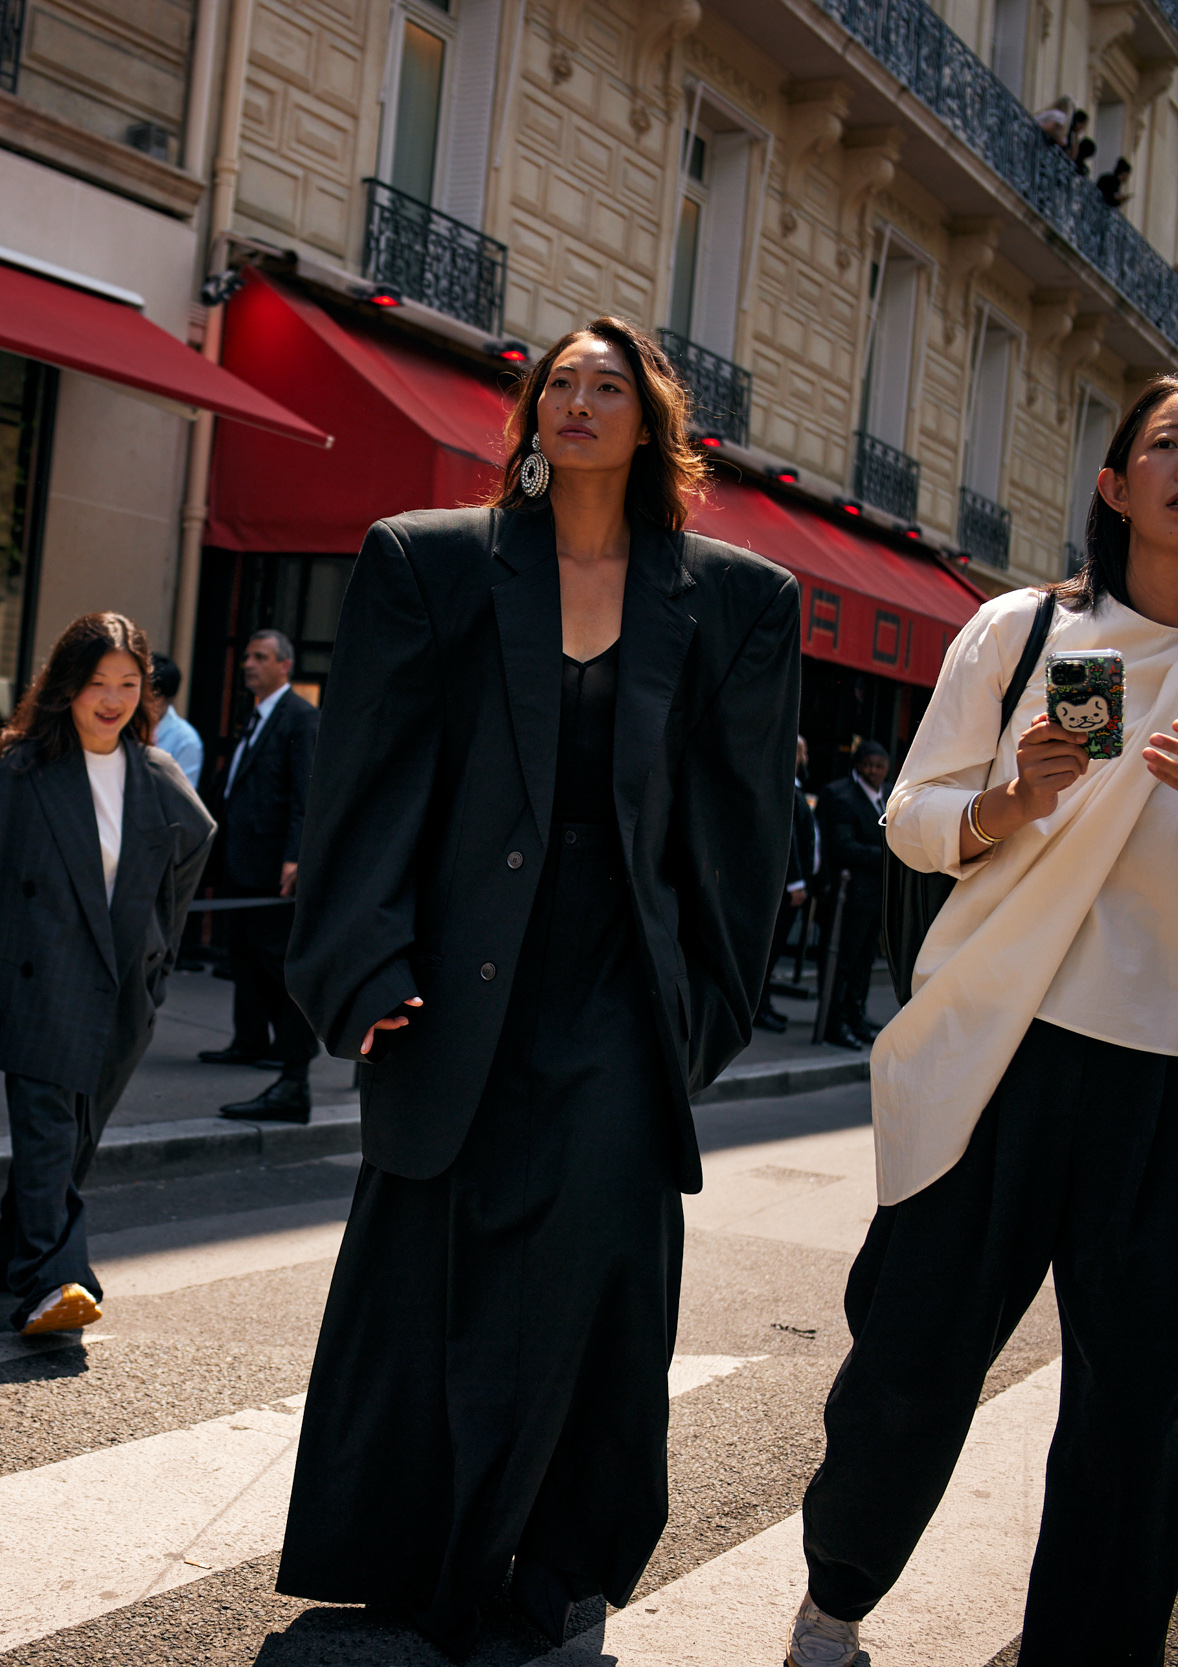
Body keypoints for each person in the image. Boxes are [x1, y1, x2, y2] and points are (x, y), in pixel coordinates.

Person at [785, 366, 1178, 1667]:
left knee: (1135, 1410)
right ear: (1114, 483)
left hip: (1171, 1082)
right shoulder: (1021, 631)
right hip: (995, 1051)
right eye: (1167, 444)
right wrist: (1008, 802)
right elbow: (914, 824)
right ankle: (836, 1593)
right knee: (910, 1356)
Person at [276, 318, 799, 1656]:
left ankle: (559, 1556)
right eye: (558, 381)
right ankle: (416, 1554)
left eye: (608, 384)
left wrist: (707, 1009)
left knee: (598, 1276)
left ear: (651, 422)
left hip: (625, 994)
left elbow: (743, 830)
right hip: (454, 986)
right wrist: (364, 963)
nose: (578, 399)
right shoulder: (428, 562)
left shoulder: (737, 597)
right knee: (436, 1269)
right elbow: (369, 782)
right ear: (530, 414)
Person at [0, 613, 213, 1334]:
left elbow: (186, 866)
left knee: (76, 1135)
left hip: (119, 989)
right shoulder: (15, 775)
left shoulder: (158, 777)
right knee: (49, 1130)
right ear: (67, 684)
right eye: (97, 682)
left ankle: (7, 1248)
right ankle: (54, 1279)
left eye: (129, 683)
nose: (113, 698)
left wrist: (157, 963)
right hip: (35, 980)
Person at [202, 628, 320, 1121]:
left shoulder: (300, 718)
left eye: (260, 656)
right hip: (240, 864)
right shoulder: (255, 716)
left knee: (276, 966)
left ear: (284, 666)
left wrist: (295, 857)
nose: (248, 664)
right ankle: (254, 1042)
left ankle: (295, 1076)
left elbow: (305, 793)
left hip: (273, 872)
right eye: (247, 656)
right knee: (246, 961)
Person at [813, 741, 890, 1049]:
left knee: (863, 963)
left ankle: (855, 1015)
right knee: (841, 962)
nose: (873, 771)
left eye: (879, 766)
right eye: (868, 765)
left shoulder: (890, 795)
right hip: (848, 896)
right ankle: (833, 1022)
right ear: (858, 765)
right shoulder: (839, 793)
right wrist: (887, 855)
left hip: (874, 897)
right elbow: (840, 845)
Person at [756, 735, 820, 1032]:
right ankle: (758, 1007)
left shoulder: (794, 788)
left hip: (791, 886)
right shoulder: (782, 787)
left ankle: (763, 1004)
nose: (803, 757)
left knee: (772, 952)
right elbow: (789, 840)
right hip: (783, 887)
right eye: (799, 752)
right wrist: (795, 883)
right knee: (767, 953)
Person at [145, 651, 204, 787]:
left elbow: (181, 796)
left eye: (154, 695)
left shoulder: (186, 739)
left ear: (169, 697)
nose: (146, 702)